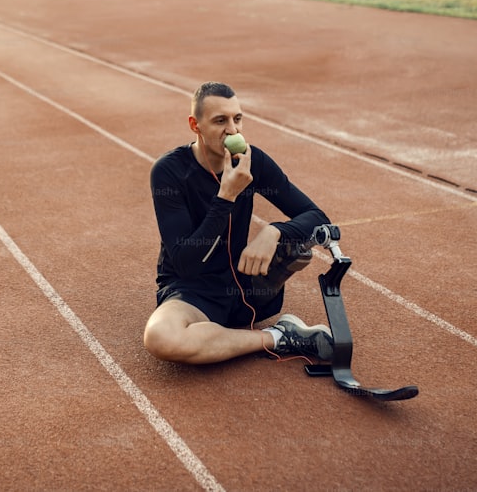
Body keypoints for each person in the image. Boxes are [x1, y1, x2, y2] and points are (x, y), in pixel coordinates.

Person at [143, 81, 335, 365]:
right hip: (193, 291)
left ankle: (224, 334)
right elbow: (186, 262)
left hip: (245, 284)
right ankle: (280, 337)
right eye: (220, 121)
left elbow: (318, 218)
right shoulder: (170, 172)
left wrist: (274, 231)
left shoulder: (251, 160)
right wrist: (226, 196)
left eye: (237, 119)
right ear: (195, 125)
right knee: (161, 338)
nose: (233, 130)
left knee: (299, 241)